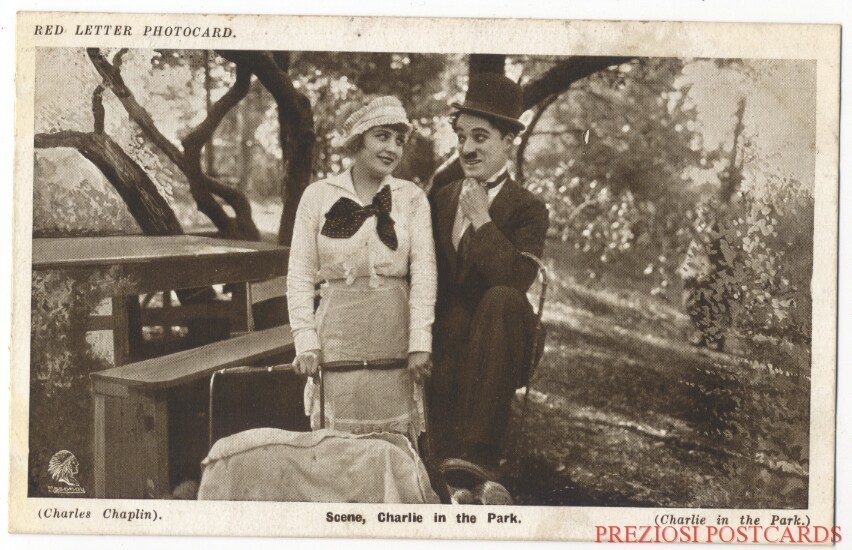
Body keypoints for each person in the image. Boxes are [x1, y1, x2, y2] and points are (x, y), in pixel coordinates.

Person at [287, 96, 436, 442]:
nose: (392, 149)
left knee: (393, 440)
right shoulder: (318, 195)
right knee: (338, 441)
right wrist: (305, 340)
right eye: (382, 137)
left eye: (399, 140)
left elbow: (425, 272)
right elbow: (299, 273)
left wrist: (420, 341)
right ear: (358, 140)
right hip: (338, 335)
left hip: (394, 332)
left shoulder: (411, 198)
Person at [428, 73, 550, 487]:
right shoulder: (441, 199)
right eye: (462, 136)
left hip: (501, 340)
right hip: (446, 339)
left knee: (500, 297)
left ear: (508, 141)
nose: (467, 148)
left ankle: (480, 454)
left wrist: (481, 219)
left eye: (480, 137)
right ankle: (439, 449)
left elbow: (516, 281)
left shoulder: (529, 209)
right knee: (454, 316)